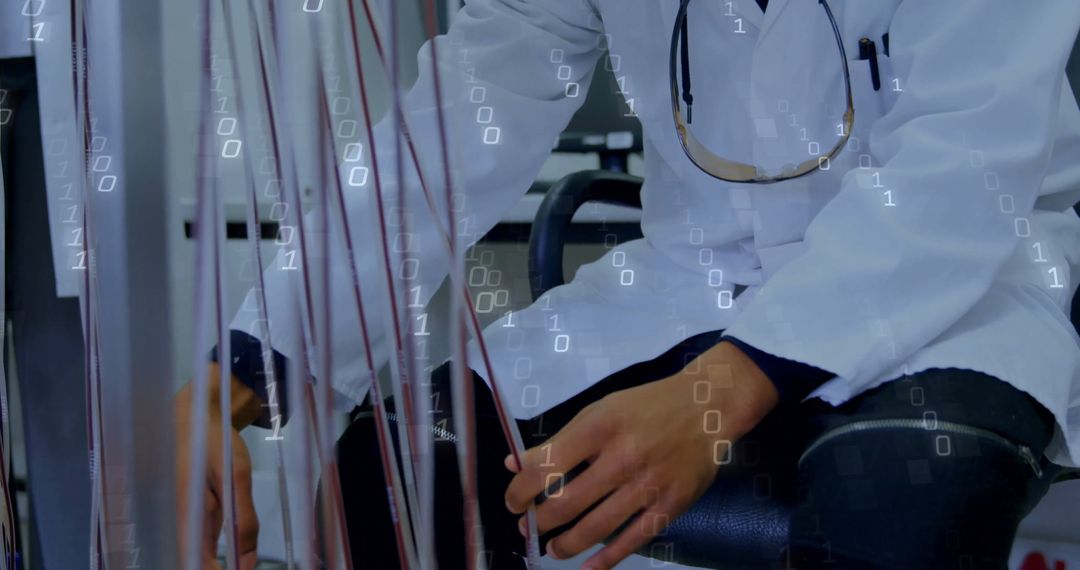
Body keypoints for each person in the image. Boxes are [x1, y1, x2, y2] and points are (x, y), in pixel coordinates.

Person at [176, 0, 1080, 568]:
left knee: (899, 497)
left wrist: (712, 401)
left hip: (948, 290)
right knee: (398, 468)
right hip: (692, 281)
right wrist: (253, 362)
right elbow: (472, 103)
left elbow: (961, 165)